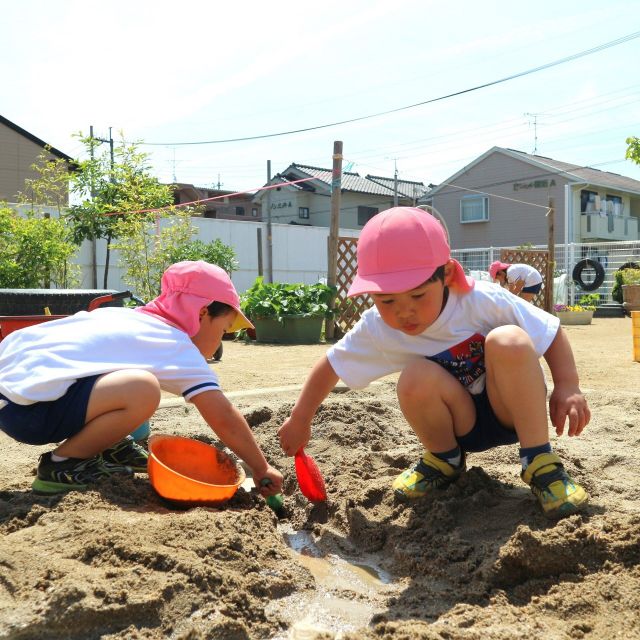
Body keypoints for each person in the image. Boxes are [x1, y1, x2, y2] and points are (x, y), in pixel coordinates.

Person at [279, 207, 589, 519]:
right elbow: (332, 364)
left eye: (417, 296)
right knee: (413, 377)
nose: (404, 312)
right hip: (458, 422)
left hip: (510, 409)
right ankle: (445, 460)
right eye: (387, 301)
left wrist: (567, 385)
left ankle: (540, 463)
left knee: (508, 339)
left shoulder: (481, 300)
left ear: (447, 275)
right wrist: (300, 418)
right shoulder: (379, 328)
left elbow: (549, 330)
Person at [0, 260, 283, 497]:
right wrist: (261, 467)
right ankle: (62, 465)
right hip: (31, 414)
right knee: (143, 389)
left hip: (14, 396)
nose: (224, 337)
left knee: (131, 376)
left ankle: (111, 447)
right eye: (225, 328)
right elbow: (222, 414)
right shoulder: (175, 344)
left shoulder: (126, 319)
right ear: (202, 313)